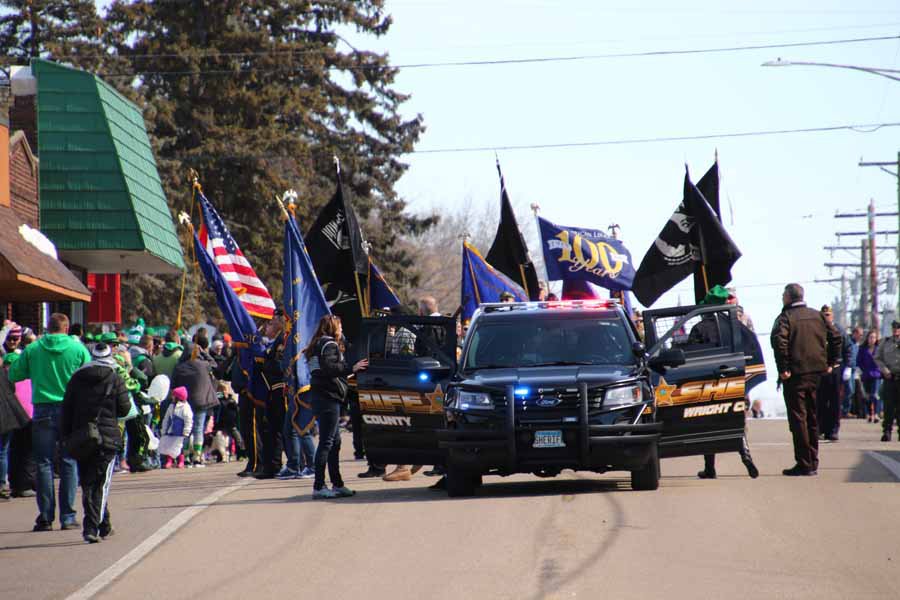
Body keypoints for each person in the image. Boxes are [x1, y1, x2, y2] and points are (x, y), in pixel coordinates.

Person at [8, 313, 91, 531]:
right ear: (65, 329)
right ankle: (68, 516)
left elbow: (14, 374)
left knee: (43, 463)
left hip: (42, 409)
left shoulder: (33, 349)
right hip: (69, 409)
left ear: (47, 327)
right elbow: (89, 376)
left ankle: (45, 516)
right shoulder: (77, 349)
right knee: (68, 461)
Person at [60, 342, 131, 543]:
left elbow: (67, 410)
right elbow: (125, 409)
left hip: (82, 437)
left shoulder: (76, 378)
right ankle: (91, 527)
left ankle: (104, 524)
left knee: (89, 482)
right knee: (100, 484)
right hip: (107, 438)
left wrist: (65, 437)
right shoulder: (115, 378)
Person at [770, 284, 842, 476]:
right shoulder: (817, 315)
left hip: (796, 374)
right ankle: (812, 462)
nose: (782, 298)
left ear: (789, 297)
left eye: (783, 295)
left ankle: (804, 463)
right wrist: (831, 362)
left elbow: (779, 342)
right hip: (817, 373)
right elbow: (836, 336)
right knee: (812, 416)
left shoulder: (786, 317)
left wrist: (783, 368)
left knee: (799, 418)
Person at [688, 285, 759, 480]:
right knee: (736, 420)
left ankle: (709, 468)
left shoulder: (699, 328)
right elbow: (752, 351)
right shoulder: (737, 327)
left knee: (707, 424)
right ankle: (746, 455)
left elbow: (690, 355)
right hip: (734, 380)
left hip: (707, 383)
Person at [305, 315, 368, 499]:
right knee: (326, 443)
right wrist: (352, 367)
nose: (341, 329)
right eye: (339, 326)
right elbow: (330, 369)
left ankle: (337, 483)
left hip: (321, 397)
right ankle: (319, 486)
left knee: (335, 442)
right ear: (332, 327)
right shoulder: (329, 344)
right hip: (327, 398)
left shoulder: (317, 344)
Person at [171, 342, 219, 467]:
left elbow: (173, 385)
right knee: (198, 429)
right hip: (201, 402)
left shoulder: (179, 367)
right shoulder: (203, 365)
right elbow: (215, 364)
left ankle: (185, 456)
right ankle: (197, 457)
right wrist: (203, 352)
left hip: (184, 402)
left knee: (186, 430)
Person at [816, 306, 843, 442]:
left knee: (834, 402)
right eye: (824, 314)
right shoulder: (816, 330)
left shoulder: (839, 330)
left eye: (828, 314)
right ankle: (821, 429)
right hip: (820, 370)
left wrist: (848, 366)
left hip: (835, 370)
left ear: (832, 316)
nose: (826, 317)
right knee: (820, 401)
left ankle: (833, 430)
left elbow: (847, 348)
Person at [875, 321, 900, 441]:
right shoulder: (885, 342)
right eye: (894, 328)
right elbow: (877, 358)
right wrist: (885, 370)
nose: (896, 330)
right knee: (888, 407)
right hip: (889, 378)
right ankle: (887, 431)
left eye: (898, 328)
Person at [159, 386, 193, 468]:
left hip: (179, 431)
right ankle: (169, 461)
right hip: (171, 430)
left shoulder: (185, 407)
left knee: (179, 447)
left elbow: (188, 420)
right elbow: (166, 418)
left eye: (173, 396)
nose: (172, 397)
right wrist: (164, 429)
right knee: (169, 445)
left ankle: (181, 461)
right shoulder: (171, 406)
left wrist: (186, 431)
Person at [857, 330, 882, 424]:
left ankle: (876, 413)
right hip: (866, 374)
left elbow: (882, 360)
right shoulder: (862, 349)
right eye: (870, 337)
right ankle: (869, 414)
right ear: (867, 338)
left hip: (876, 374)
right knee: (867, 396)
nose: (872, 339)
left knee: (875, 395)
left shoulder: (878, 348)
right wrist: (863, 370)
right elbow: (859, 361)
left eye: (874, 337)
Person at [843, 327, 863, 417]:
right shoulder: (849, 342)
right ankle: (845, 410)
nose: (861, 337)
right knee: (849, 390)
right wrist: (847, 367)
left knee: (852, 390)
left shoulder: (856, 344)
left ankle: (848, 410)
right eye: (860, 334)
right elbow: (848, 355)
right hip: (847, 369)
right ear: (855, 333)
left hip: (853, 370)